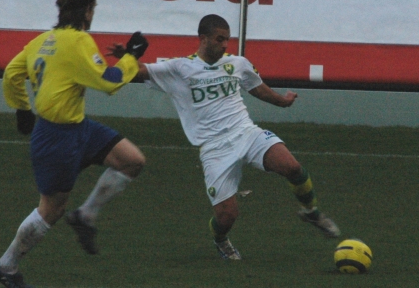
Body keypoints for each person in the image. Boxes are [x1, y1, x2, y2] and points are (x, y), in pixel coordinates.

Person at [138, 14, 340, 260]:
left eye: (227, 40)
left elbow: (257, 88)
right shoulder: (179, 68)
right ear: (203, 39)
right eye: (219, 39)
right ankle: (221, 239)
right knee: (227, 216)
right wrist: (126, 57)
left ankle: (311, 212)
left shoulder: (237, 63)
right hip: (213, 149)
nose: (225, 45)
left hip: (245, 133)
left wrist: (283, 102)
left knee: (293, 167)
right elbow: (140, 71)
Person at [0, 0, 149, 288]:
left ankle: (86, 216)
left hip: (78, 128)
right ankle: (5, 266)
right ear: (87, 11)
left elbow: (12, 73)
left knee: (132, 161)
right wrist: (132, 56)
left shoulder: (42, 41)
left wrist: (22, 109)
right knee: (52, 209)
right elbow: (110, 82)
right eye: (93, 9)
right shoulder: (78, 42)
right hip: (57, 138)